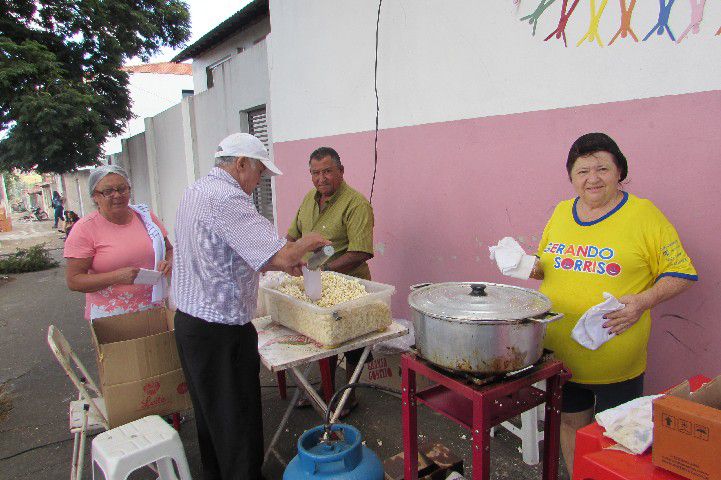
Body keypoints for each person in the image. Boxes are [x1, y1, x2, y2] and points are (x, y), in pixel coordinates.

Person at [530, 133, 697, 473]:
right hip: (561, 353)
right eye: (582, 171)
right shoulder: (562, 212)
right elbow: (545, 267)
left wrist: (643, 301)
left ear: (620, 171)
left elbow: (682, 272)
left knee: (619, 438)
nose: (593, 178)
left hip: (617, 360)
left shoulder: (644, 214)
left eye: (602, 168)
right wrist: (520, 265)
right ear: (572, 178)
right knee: (570, 426)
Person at [172, 133, 330, 480]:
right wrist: (308, 242)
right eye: (259, 172)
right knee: (237, 422)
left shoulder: (195, 191)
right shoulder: (227, 198)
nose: (259, 182)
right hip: (220, 332)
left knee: (211, 419)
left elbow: (228, 251)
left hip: (190, 324)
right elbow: (284, 253)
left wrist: (276, 261)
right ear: (241, 164)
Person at [286, 146, 374, 415]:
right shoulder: (308, 200)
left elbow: (360, 252)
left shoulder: (356, 204)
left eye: (327, 171)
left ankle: (349, 394)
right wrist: (288, 256)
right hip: (316, 284)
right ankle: (326, 388)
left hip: (350, 286)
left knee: (352, 345)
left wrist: (325, 271)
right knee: (323, 339)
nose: (321, 178)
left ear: (341, 171)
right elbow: (293, 235)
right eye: (315, 173)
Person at [64, 165, 172, 320]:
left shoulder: (146, 217)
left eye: (122, 189)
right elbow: (74, 281)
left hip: (155, 308)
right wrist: (116, 277)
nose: (117, 195)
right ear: (95, 196)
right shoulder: (84, 229)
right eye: (108, 192)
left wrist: (169, 262)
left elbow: (169, 250)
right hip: (111, 317)